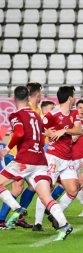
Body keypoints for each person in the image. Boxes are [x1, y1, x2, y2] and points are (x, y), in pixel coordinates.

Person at [0, 86, 72, 241]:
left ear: (14, 99)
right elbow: (40, 138)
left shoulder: (15, 115)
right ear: (28, 98)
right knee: (46, 197)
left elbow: (19, 132)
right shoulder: (37, 115)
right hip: (40, 160)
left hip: (24, 159)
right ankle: (64, 224)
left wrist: (7, 148)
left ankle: (17, 208)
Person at [33, 86, 83, 230]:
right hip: (53, 157)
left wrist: (64, 130)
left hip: (67, 158)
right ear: (69, 98)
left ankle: (56, 214)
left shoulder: (74, 113)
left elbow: (78, 130)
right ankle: (37, 223)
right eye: (73, 96)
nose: (74, 98)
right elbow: (38, 128)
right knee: (46, 189)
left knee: (74, 189)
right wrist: (46, 132)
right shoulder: (52, 114)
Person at [0, 82, 43, 229]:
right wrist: (8, 148)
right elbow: (19, 133)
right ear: (33, 95)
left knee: (32, 186)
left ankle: (18, 215)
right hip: (16, 155)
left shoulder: (36, 111)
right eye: (39, 94)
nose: (40, 97)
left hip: (30, 157)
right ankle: (3, 218)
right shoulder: (27, 111)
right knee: (17, 188)